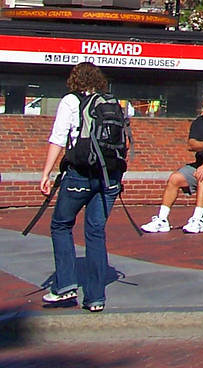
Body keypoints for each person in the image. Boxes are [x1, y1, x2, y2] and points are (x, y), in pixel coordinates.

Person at [37, 62, 119, 312]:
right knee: (95, 232)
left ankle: (65, 285)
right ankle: (95, 298)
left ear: (74, 79)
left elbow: (58, 138)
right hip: (110, 176)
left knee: (61, 225)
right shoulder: (111, 102)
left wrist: (46, 173)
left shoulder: (71, 101)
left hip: (80, 174)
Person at [140, 96, 203, 234]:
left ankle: (198, 220)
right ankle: (162, 220)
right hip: (200, 164)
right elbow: (191, 145)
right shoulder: (198, 123)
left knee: (202, 177)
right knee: (174, 179)